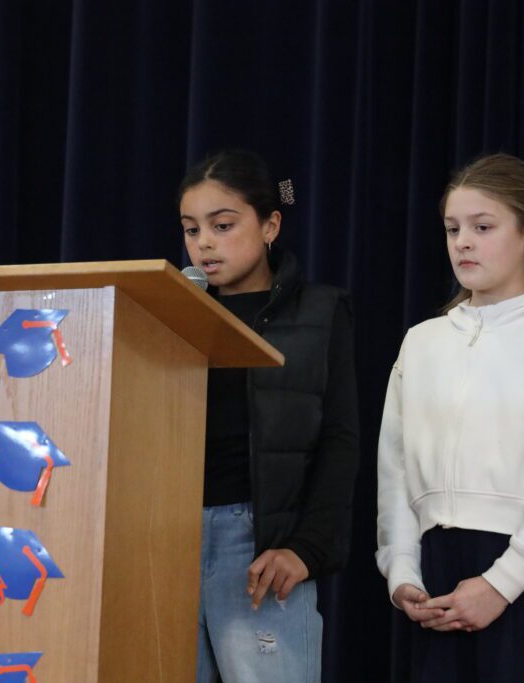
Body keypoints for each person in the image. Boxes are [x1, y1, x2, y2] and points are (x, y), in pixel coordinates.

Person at [376, 153, 524, 682]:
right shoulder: (422, 342)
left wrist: (503, 581)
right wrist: (401, 570)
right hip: (436, 577)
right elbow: (394, 468)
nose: (462, 241)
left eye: (483, 227)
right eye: (452, 228)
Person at [179, 149, 360, 683]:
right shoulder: (171, 310)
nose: (204, 243)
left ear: (270, 224)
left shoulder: (320, 313)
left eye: (223, 224)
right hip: (168, 536)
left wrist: (306, 548)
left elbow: (340, 439)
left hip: (259, 542)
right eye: (191, 230)